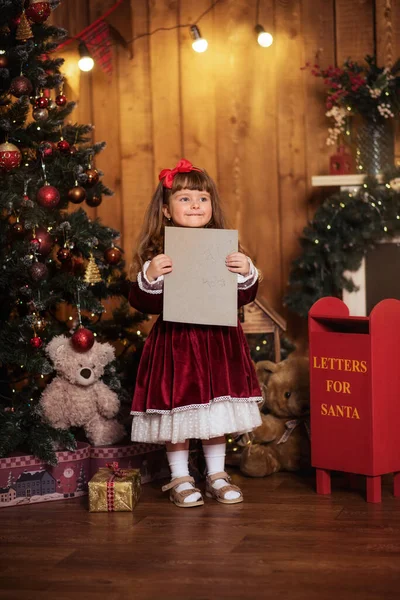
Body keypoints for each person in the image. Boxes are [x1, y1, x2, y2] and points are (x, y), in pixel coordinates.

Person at [129, 159, 262, 507]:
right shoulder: (158, 254)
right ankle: (179, 477)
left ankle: (216, 473)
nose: (195, 206)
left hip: (219, 342)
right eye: (185, 199)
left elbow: (245, 295)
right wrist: (153, 275)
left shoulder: (226, 250)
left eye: (202, 199)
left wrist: (245, 270)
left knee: (214, 411)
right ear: (166, 210)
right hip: (178, 345)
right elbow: (142, 302)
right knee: (181, 410)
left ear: (212, 206)